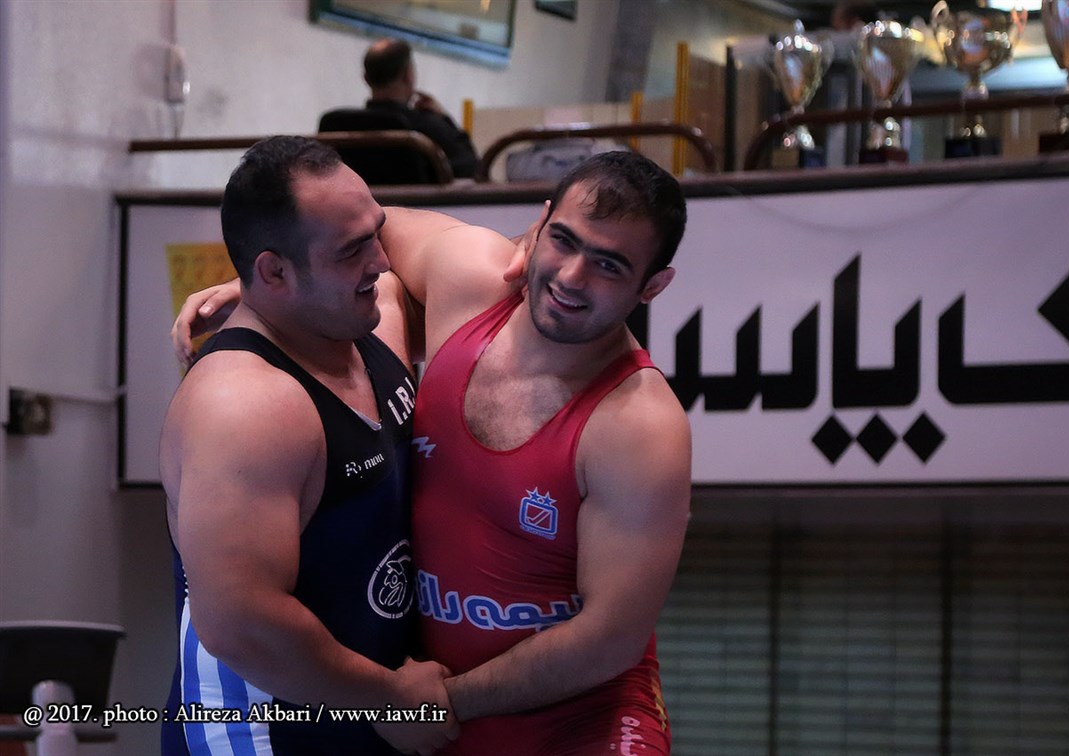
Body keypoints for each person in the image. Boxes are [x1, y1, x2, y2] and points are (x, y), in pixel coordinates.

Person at [174, 151, 693, 754]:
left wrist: (434, 702)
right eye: (564, 241)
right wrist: (268, 283)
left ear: (652, 286)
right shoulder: (468, 278)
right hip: (400, 721)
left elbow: (609, 641)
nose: (572, 277)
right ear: (540, 224)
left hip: (565, 722)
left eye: (608, 264)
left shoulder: (641, 425)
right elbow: (367, 221)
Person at [159, 135, 458, 755]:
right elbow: (241, 623)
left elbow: (455, 246)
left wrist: (255, 280)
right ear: (276, 272)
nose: (381, 261)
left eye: (376, 234)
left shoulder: (369, 317)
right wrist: (389, 699)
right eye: (352, 251)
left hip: (359, 719)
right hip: (263, 735)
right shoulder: (243, 404)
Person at [319, 38, 478, 179]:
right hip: (415, 204)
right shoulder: (425, 127)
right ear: (408, 75)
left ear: (366, 79)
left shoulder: (334, 125)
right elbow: (471, 167)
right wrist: (444, 118)